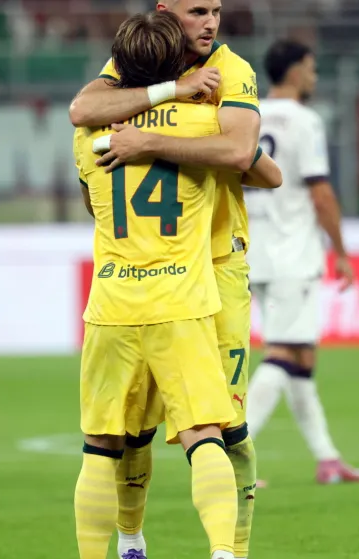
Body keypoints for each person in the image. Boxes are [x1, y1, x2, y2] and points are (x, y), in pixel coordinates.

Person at [69, 2, 281, 558]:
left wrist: (143, 139)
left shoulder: (94, 136)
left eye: (216, 10)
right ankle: (184, 547)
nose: (210, 22)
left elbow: (85, 124)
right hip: (184, 289)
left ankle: (135, 545)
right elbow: (259, 166)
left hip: (129, 291)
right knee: (203, 430)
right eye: (197, 11)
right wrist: (178, 104)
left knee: (111, 438)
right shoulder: (199, 117)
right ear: (167, 15)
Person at [243, 39, 359, 487]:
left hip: (253, 248)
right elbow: (321, 193)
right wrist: (342, 251)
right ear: (294, 71)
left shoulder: (248, 114)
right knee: (282, 352)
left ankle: (327, 459)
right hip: (291, 251)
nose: (314, 76)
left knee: (301, 354)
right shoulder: (304, 120)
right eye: (310, 68)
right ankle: (234, 457)